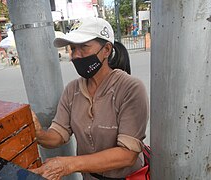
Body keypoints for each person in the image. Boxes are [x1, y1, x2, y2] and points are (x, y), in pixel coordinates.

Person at [31, 17, 149, 180]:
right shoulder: (72, 90)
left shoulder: (130, 88)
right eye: (73, 48)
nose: (76, 55)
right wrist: (38, 134)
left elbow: (127, 155)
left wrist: (67, 165)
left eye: (84, 47)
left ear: (107, 49)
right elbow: (58, 135)